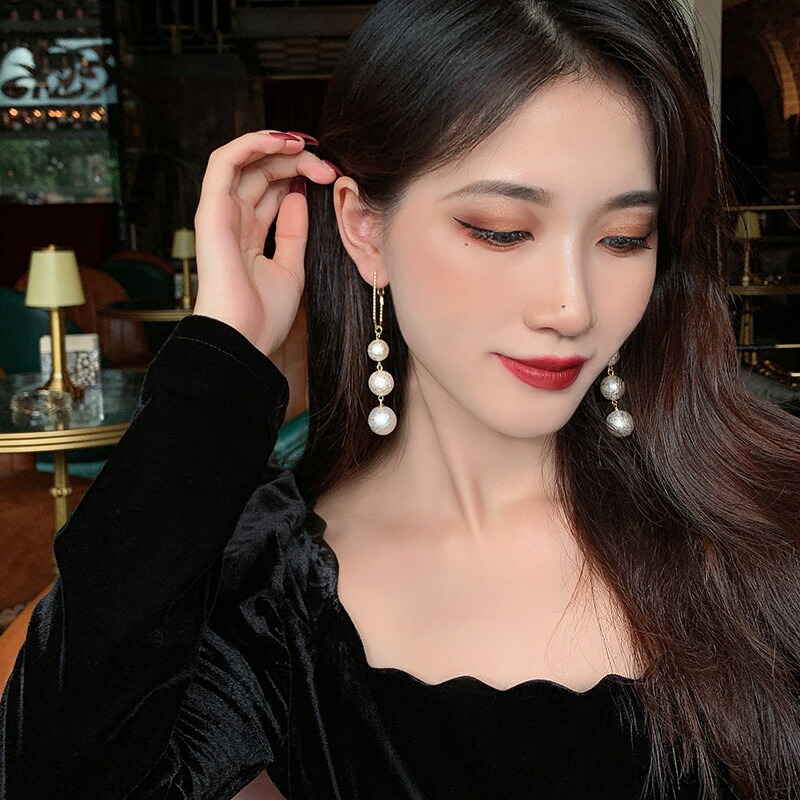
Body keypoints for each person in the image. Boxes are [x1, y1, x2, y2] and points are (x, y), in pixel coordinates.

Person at [3, 0, 800, 798]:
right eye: (501, 230)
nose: (573, 306)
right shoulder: (269, 590)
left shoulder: (767, 521)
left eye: (624, 238)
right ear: (365, 228)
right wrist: (220, 359)